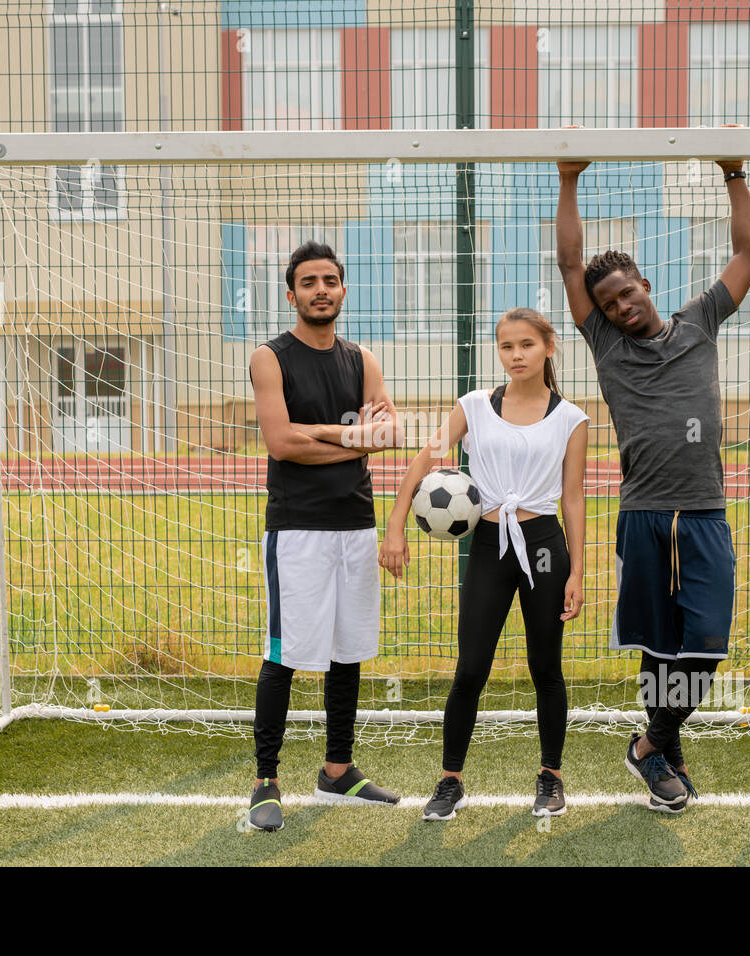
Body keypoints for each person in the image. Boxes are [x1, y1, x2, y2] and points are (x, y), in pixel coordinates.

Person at [555, 152, 750, 811]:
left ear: (646, 283)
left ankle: (648, 744)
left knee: (703, 642)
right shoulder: (606, 344)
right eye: (610, 302)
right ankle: (666, 750)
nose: (621, 306)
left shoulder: (701, 320)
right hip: (645, 515)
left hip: (704, 514)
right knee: (659, 647)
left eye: (628, 292)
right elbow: (569, 264)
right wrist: (569, 178)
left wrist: (733, 171)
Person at [380, 308, 589, 820]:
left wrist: (578, 571)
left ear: (548, 348)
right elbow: (426, 459)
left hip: (542, 545)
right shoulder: (473, 406)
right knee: (471, 667)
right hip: (489, 543)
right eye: (505, 346)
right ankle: (450, 781)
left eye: (526, 345)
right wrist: (395, 521)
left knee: (546, 666)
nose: (515, 355)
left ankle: (551, 777)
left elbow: (575, 497)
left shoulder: (571, 418)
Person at [245, 241, 404, 831]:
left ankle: (338, 771)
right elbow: (280, 444)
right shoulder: (270, 357)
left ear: (343, 289)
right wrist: (348, 437)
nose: (320, 290)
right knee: (283, 655)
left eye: (330, 280)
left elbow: (387, 436)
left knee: (347, 650)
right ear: (292, 294)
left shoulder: (362, 359)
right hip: (298, 531)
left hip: (355, 527)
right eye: (308, 282)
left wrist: (334, 437)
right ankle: (266, 781)